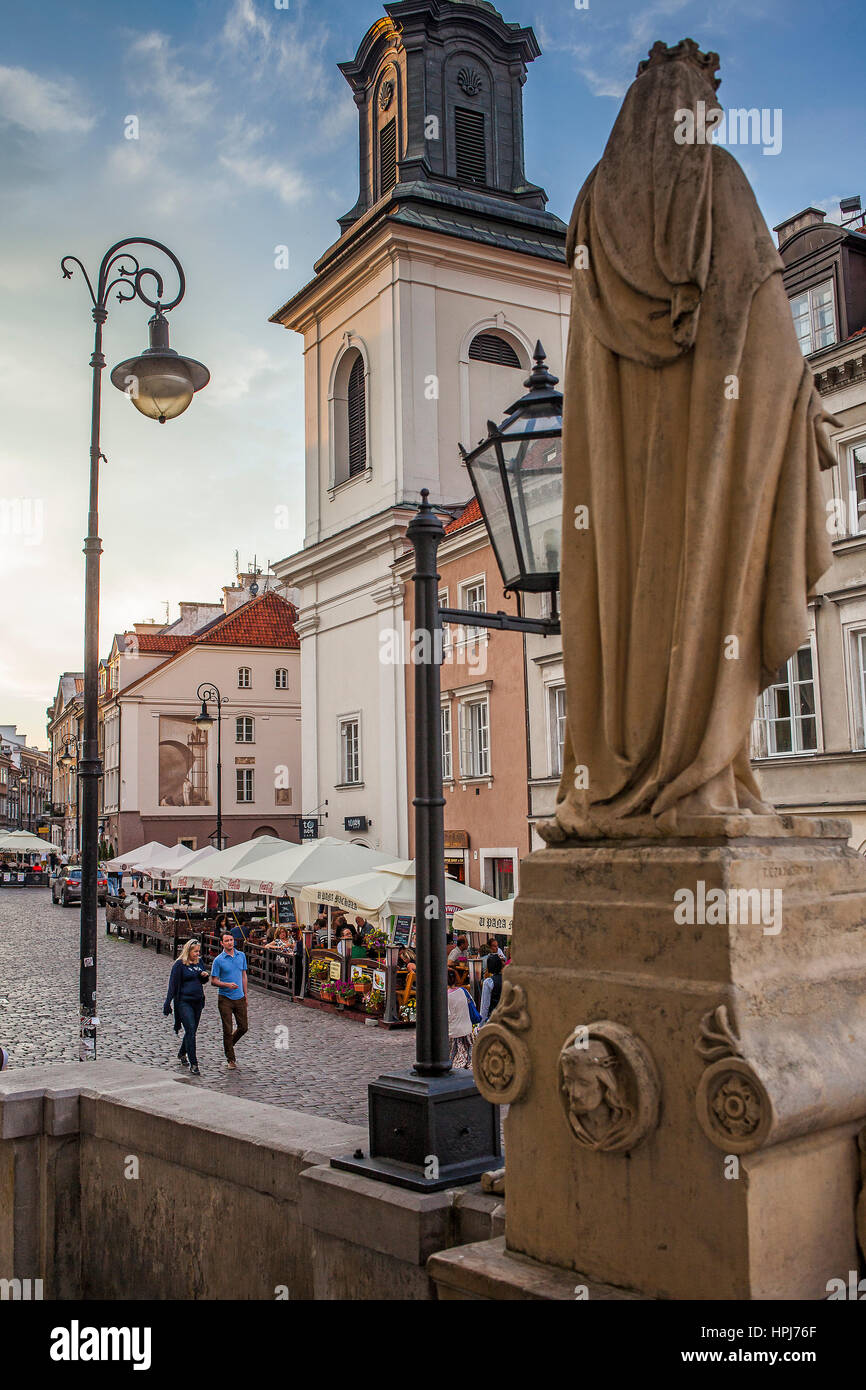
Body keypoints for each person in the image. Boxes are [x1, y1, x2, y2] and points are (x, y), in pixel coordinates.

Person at [163, 939, 210, 1076]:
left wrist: (204, 976)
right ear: (188, 951)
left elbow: (202, 981)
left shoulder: (199, 963)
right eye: (195, 951)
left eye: (198, 951)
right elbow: (173, 985)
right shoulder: (179, 965)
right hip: (184, 1001)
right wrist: (168, 1003)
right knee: (189, 1029)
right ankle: (194, 1063)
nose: (197, 954)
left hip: (197, 1000)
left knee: (192, 1030)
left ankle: (182, 1052)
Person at [209, 931, 248, 1070]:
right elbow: (213, 981)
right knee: (228, 1028)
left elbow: (244, 976)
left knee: (243, 1027)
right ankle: (231, 1059)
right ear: (222, 943)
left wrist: (245, 994)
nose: (230, 942)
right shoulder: (219, 960)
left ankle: (228, 1044)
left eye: (231, 940)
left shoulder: (241, 956)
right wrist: (227, 985)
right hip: (225, 997)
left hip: (239, 997)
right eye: (227, 941)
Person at [447, 967, 474, 1069]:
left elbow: (447, 1016)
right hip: (467, 1029)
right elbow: (472, 1005)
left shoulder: (446, 996)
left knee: (455, 1059)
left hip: (454, 1032)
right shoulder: (463, 991)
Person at [479, 955, 504, 1024]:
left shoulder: (488, 982)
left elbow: (485, 1006)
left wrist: (480, 1024)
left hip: (494, 1020)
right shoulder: (508, 979)